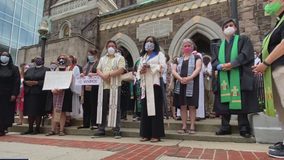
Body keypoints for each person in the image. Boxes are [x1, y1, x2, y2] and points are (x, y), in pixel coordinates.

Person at [211, 18, 260, 138]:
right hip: (223, 76)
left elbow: (245, 54)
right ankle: (225, 127)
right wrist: (220, 66)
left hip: (239, 75)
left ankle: (243, 127)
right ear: (223, 31)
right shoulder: (218, 45)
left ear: (236, 28)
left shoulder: (243, 40)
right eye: (226, 26)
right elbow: (214, 60)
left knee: (241, 102)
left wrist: (233, 64)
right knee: (224, 103)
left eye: (231, 25)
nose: (228, 27)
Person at [252, 0, 284, 158]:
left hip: (282, 67)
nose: (268, 3)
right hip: (274, 69)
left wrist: (265, 62)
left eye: (271, 0)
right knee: (281, 109)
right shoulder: (279, 22)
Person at [92, 40, 125, 139]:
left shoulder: (120, 57)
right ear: (106, 48)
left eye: (113, 46)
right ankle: (101, 129)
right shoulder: (102, 59)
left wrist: (109, 74)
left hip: (115, 86)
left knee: (115, 108)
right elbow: (98, 69)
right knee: (102, 108)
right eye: (109, 46)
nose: (111, 47)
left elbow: (121, 69)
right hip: (104, 86)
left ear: (115, 48)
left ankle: (116, 130)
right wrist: (103, 76)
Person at [136, 36, 166, 142]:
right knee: (145, 110)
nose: (149, 43)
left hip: (154, 84)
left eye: (151, 41)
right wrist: (141, 71)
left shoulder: (159, 54)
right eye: (147, 41)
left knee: (156, 110)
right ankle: (146, 134)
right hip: (145, 86)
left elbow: (163, 66)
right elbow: (139, 70)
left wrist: (151, 66)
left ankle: (156, 134)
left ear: (155, 44)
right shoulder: (142, 57)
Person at [172, 38, 202, 134]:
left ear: (192, 47)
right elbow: (173, 71)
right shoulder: (178, 59)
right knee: (183, 106)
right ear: (182, 48)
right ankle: (184, 125)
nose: (187, 47)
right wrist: (180, 78)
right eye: (185, 46)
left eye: (189, 45)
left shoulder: (197, 58)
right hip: (180, 84)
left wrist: (189, 78)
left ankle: (192, 126)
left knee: (192, 105)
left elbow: (198, 68)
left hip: (192, 84)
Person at [45, 55, 80, 136]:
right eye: (60, 59)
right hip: (54, 92)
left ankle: (61, 130)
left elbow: (70, 81)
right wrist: (52, 89)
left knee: (62, 112)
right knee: (53, 111)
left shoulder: (68, 70)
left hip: (64, 92)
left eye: (63, 59)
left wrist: (61, 89)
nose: (61, 60)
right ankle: (52, 130)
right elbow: (50, 80)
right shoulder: (54, 70)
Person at [21, 55, 49, 135]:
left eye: (39, 59)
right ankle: (30, 128)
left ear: (43, 61)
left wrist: (37, 83)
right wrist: (26, 82)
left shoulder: (46, 70)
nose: (38, 60)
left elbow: (47, 81)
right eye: (37, 59)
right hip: (29, 92)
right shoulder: (29, 70)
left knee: (37, 112)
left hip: (39, 94)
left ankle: (37, 128)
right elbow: (24, 79)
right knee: (30, 111)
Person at [77, 49, 100, 130]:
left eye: (91, 54)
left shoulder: (98, 63)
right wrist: (82, 75)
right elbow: (84, 72)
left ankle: (94, 123)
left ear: (95, 55)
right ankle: (85, 123)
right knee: (86, 105)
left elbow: (101, 72)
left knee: (93, 105)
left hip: (94, 87)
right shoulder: (87, 64)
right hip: (85, 87)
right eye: (88, 55)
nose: (89, 56)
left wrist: (93, 74)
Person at [0, 52, 20, 136]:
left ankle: (3, 128)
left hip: (8, 93)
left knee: (5, 112)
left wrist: (14, 94)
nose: (4, 57)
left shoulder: (14, 68)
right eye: (3, 55)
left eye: (7, 56)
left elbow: (16, 82)